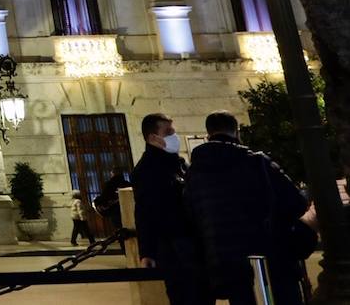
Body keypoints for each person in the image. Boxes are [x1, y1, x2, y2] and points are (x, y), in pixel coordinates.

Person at [185, 111, 310, 305]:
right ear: (236, 131)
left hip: (226, 265)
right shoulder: (255, 161)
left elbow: (192, 217)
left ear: (208, 134)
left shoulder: (194, 174)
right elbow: (296, 202)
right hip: (270, 256)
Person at [131, 113, 208, 305]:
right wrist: (147, 252)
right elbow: (144, 212)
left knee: (204, 294)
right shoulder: (145, 170)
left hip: (195, 242)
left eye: (173, 130)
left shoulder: (179, 163)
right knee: (185, 295)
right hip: (174, 247)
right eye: (168, 132)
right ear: (152, 138)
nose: (174, 135)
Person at [93, 168, 130, 234]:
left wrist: (99, 202)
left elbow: (104, 197)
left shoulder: (109, 184)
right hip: (128, 210)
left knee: (119, 229)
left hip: (115, 210)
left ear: (113, 174)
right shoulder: (127, 184)